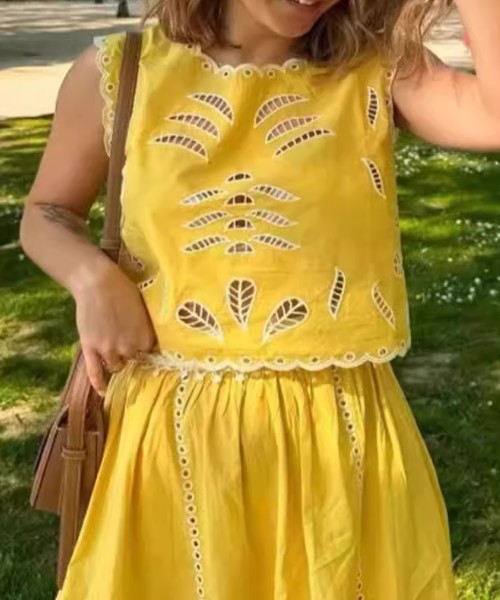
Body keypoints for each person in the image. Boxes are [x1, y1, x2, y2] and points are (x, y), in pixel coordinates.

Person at [20, 0, 500, 598]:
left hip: (339, 445)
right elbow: (46, 211)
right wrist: (91, 278)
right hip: (170, 451)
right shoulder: (123, 71)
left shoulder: (378, 68)